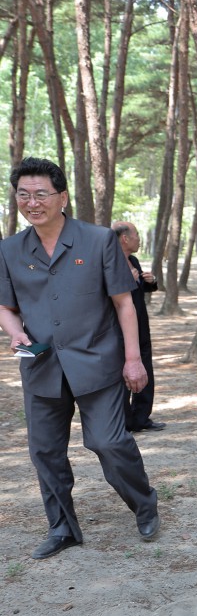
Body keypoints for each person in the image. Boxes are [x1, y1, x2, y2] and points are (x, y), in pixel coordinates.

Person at [0, 157, 159, 559]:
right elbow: (5, 306)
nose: (32, 202)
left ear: (62, 197)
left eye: (41, 194)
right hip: (41, 366)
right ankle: (62, 528)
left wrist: (133, 359)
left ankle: (144, 503)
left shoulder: (98, 239)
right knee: (45, 452)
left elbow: (124, 303)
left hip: (98, 362)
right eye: (23, 194)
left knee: (107, 441)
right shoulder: (10, 249)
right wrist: (15, 332)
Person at [112, 221, 166, 433]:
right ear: (125, 238)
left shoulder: (132, 260)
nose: (139, 239)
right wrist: (128, 281)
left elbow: (140, 289)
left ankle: (141, 418)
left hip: (141, 326)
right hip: (120, 330)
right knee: (123, 375)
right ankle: (124, 420)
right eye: (136, 234)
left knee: (146, 371)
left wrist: (150, 282)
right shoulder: (111, 262)